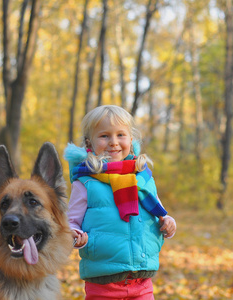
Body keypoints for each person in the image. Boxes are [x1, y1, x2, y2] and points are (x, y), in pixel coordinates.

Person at [64, 105, 177, 300]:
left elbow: (160, 212)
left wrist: (168, 222)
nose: (113, 142)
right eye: (104, 136)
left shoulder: (143, 178)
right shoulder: (86, 182)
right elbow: (71, 222)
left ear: (131, 140)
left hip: (141, 279)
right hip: (102, 281)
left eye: (120, 135)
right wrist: (75, 234)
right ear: (89, 143)